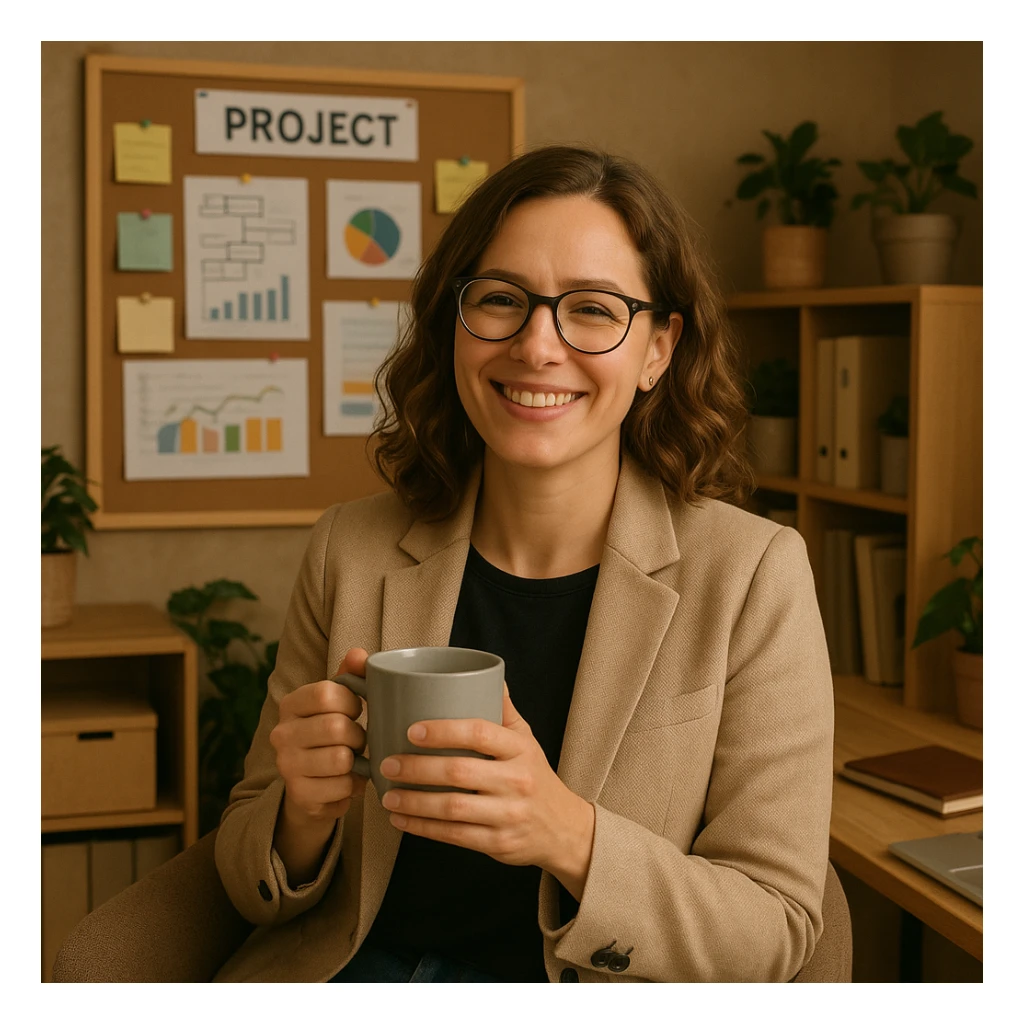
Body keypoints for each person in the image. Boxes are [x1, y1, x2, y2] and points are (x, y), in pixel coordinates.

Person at [212, 144, 834, 984]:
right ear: (454, 322)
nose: (538, 346)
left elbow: (777, 926)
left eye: (593, 309)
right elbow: (247, 868)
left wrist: (565, 834)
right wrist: (301, 814)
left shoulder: (754, 576)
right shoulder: (347, 548)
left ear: (658, 349)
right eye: (501, 299)